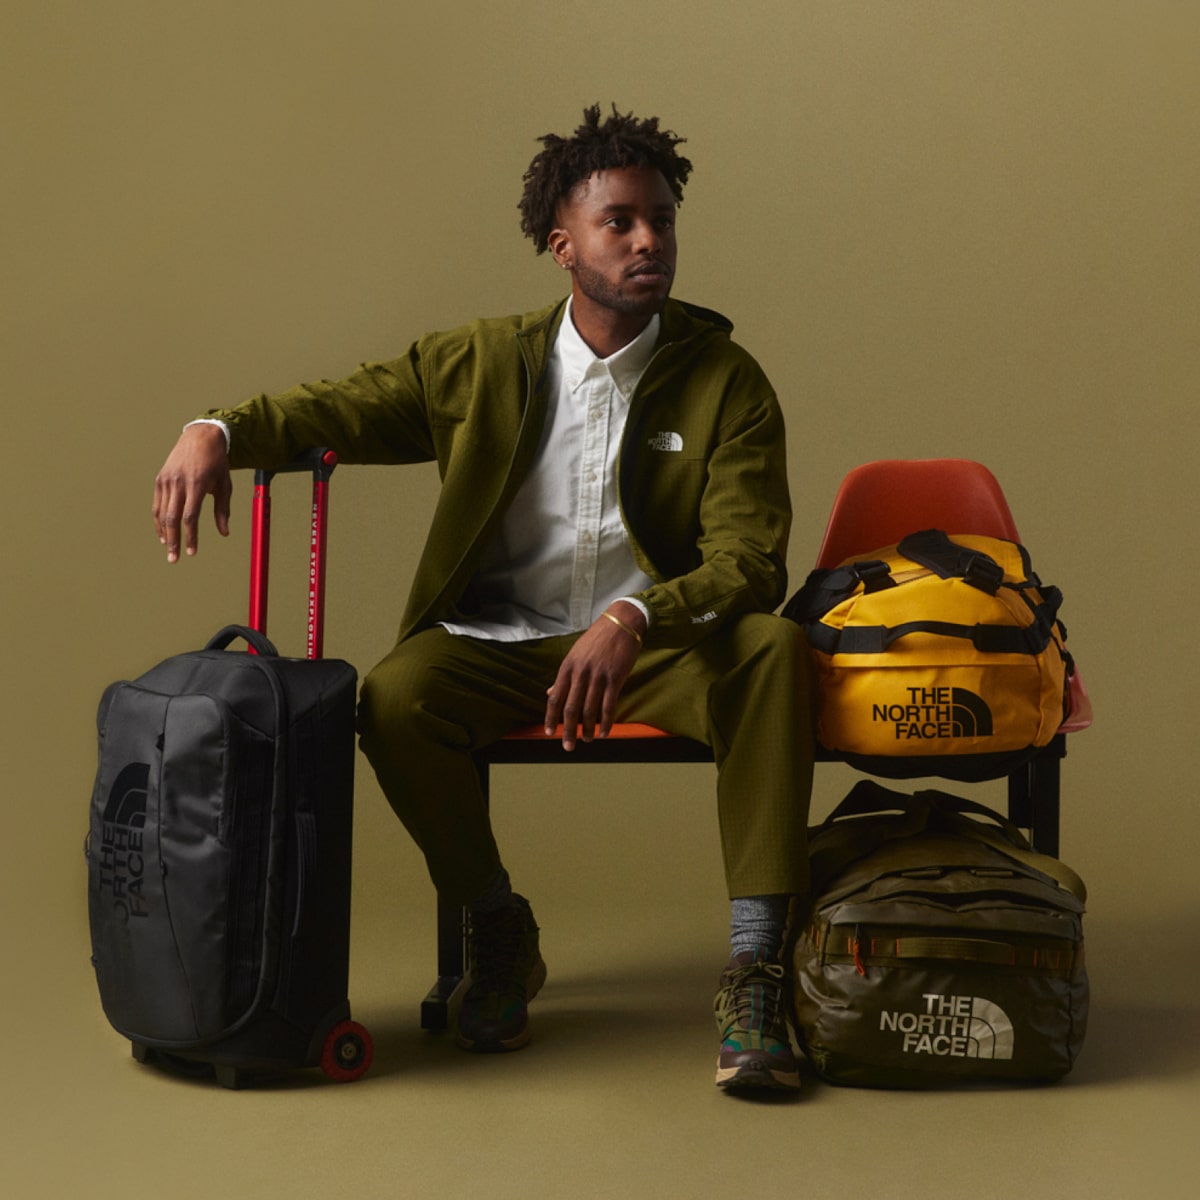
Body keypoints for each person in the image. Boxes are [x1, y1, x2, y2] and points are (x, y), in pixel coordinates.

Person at [152, 104, 815, 1094]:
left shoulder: (728, 381)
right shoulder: (480, 363)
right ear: (563, 245)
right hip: (499, 646)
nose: (648, 242)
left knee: (771, 647)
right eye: (619, 222)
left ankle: (756, 970)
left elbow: (751, 559)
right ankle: (495, 927)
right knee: (397, 695)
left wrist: (637, 617)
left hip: (654, 653)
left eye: (662, 220)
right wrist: (218, 428)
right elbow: (339, 407)